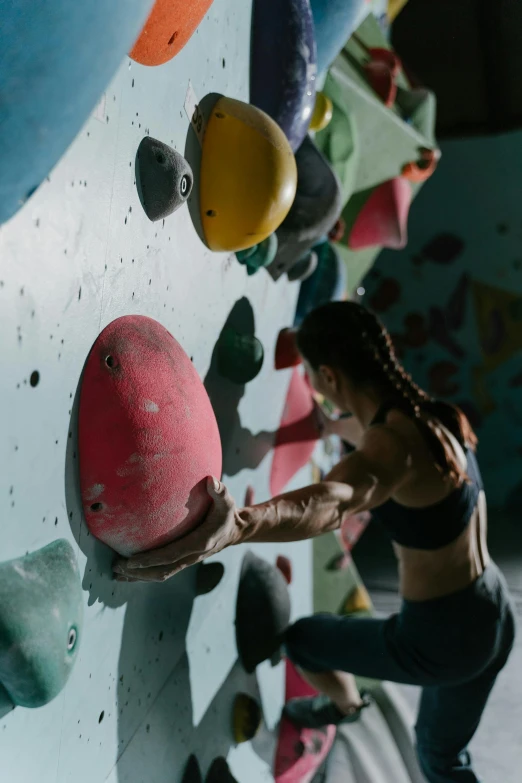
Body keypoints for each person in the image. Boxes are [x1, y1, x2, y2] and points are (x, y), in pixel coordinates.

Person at [114, 301, 516, 783]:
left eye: (311, 374)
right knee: (445, 757)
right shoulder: (432, 417)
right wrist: (327, 425)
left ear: (327, 375)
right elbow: (369, 436)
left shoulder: (392, 448)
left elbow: (333, 502)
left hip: (442, 639)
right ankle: (355, 710)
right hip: (494, 612)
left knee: (307, 642)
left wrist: (240, 523)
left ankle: (347, 706)